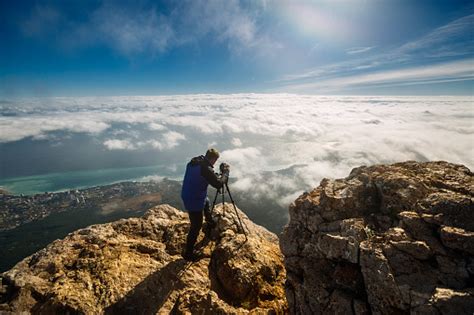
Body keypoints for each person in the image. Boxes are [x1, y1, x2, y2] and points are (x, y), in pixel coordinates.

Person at [181, 148, 230, 261]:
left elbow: (204, 175)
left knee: (206, 202)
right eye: (215, 160)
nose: (214, 163)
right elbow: (218, 184)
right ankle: (188, 253)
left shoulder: (195, 162)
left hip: (190, 193)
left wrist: (214, 174)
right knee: (196, 226)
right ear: (213, 159)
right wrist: (226, 173)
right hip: (193, 199)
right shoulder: (205, 168)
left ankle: (209, 221)